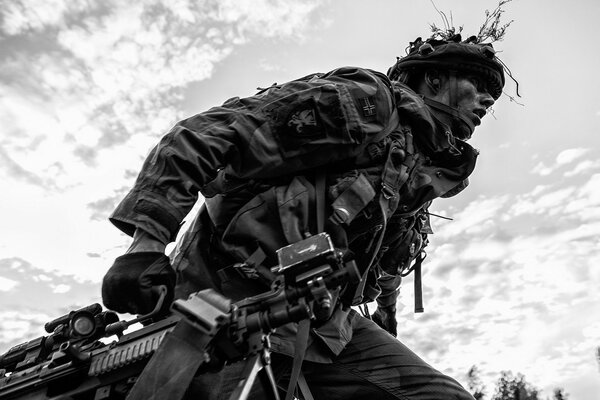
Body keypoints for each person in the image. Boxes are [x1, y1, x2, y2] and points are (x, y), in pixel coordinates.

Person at [101, 31, 505, 400]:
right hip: (226, 304)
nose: (487, 100)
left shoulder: (421, 168)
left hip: (327, 324)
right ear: (433, 79)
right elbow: (209, 132)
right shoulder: (368, 105)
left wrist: (385, 317)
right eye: (478, 84)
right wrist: (146, 244)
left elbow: (385, 264)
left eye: (493, 93)